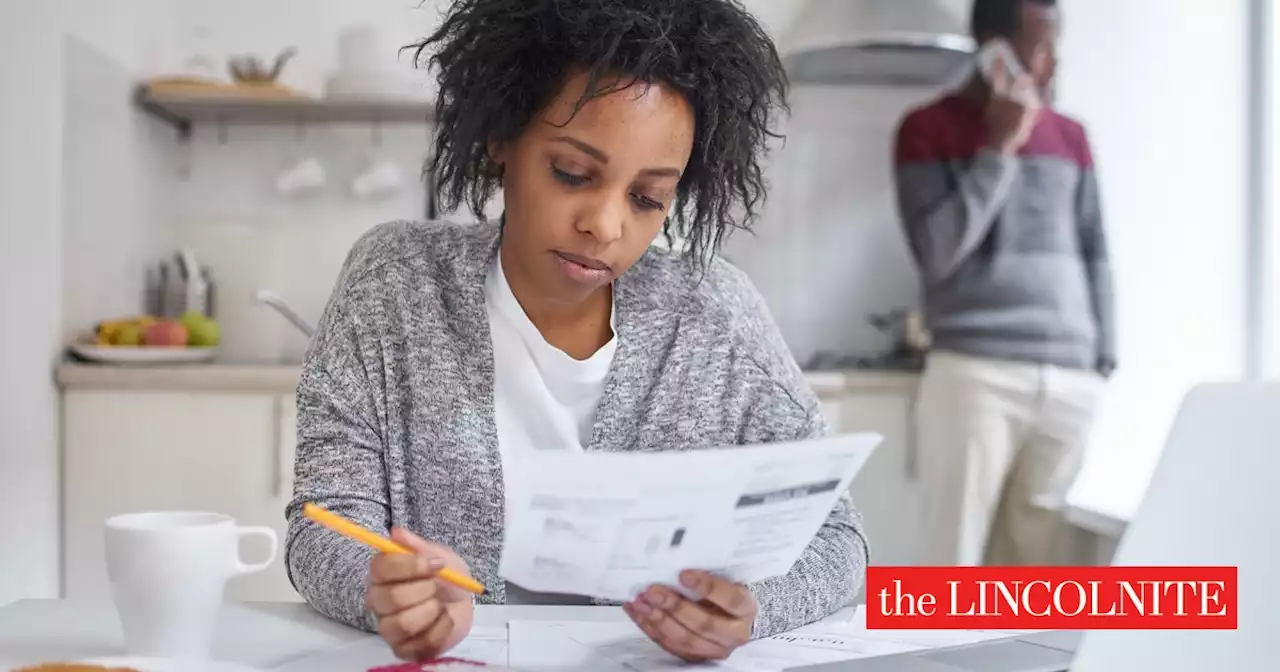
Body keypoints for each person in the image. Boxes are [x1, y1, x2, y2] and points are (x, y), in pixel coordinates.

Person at [285, 0, 869, 663]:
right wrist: (384, 588)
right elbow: (323, 520)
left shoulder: (713, 313)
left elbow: (837, 537)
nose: (606, 225)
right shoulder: (395, 283)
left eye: (647, 198)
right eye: (572, 173)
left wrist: (750, 609)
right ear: (502, 136)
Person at [892, 0, 1115, 567]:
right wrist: (999, 149)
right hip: (976, 370)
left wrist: (1103, 354)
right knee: (952, 558)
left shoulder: (1072, 136)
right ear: (994, 47)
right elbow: (937, 253)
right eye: (1040, 45)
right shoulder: (925, 129)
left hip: (1071, 376)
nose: (1051, 62)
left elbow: (1095, 252)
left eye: (1054, 45)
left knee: (1033, 566)